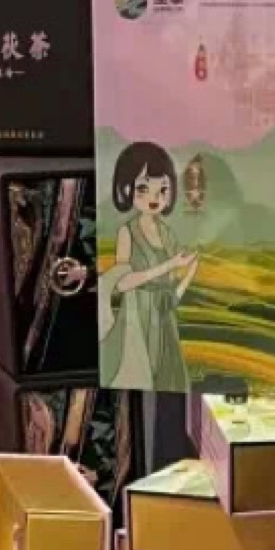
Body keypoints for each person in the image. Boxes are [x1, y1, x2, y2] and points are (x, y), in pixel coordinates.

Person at [101, 139, 200, 397]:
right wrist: (169, 265)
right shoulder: (127, 232)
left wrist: (189, 273)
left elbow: (172, 288)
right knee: (138, 384)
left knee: (171, 384)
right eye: (143, 188)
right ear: (126, 189)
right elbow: (122, 282)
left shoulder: (167, 233)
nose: (154, 198)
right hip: (137, 317)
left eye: (162, 189)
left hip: (165, 319)